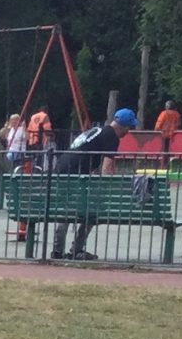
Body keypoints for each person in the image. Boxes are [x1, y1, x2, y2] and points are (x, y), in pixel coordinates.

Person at [51, 105, 133, 258]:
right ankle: (76, 249)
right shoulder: (111, 137)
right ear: (125, 126)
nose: (128, 131)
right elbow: (106, 168)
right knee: (92, 212)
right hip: (76, 174)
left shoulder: (97, 130)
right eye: (129, 127)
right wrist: (106, 188)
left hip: (61, 169)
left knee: (67, 211)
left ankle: (57, 250)